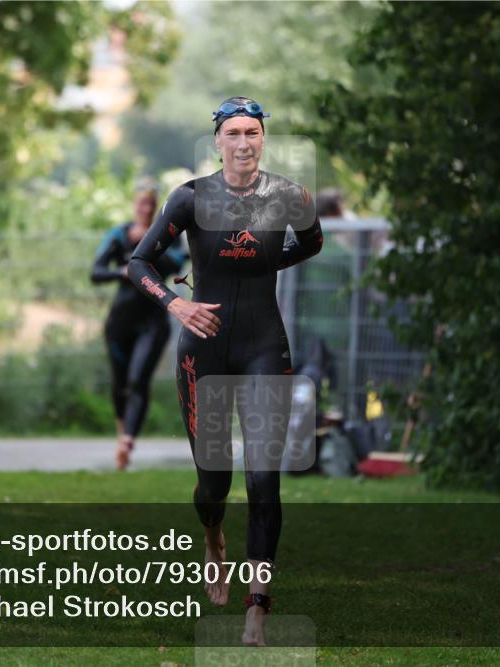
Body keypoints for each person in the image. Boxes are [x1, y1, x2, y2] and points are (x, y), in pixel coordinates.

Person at [128, 96, 323, 646]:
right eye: (233, 133)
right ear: (218, 141)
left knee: (264, 479)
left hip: (265, 346)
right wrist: (177, 304)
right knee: (214, 482)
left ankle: (257, 607)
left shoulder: (289, 196)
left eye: (252, 133)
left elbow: (312, 242)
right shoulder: (191, 197)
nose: (243, 143)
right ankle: (213, 535)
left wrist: (262, 261)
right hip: (203, 352)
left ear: (263, 139)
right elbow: (137, 262)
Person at [91, 179, 188, 470]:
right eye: (141, 203)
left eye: (150, 204)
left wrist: (147, 242)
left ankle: (127, 441)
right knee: (120, 382)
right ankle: (122, 433)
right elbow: (96, 273)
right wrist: (124, 270)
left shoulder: (167, 235)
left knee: (137, 380)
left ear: (156, 205)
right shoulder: (118, 235)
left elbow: (177, 263)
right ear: (134, 204)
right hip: (119, 323)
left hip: (153, 323)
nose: (145, 208)